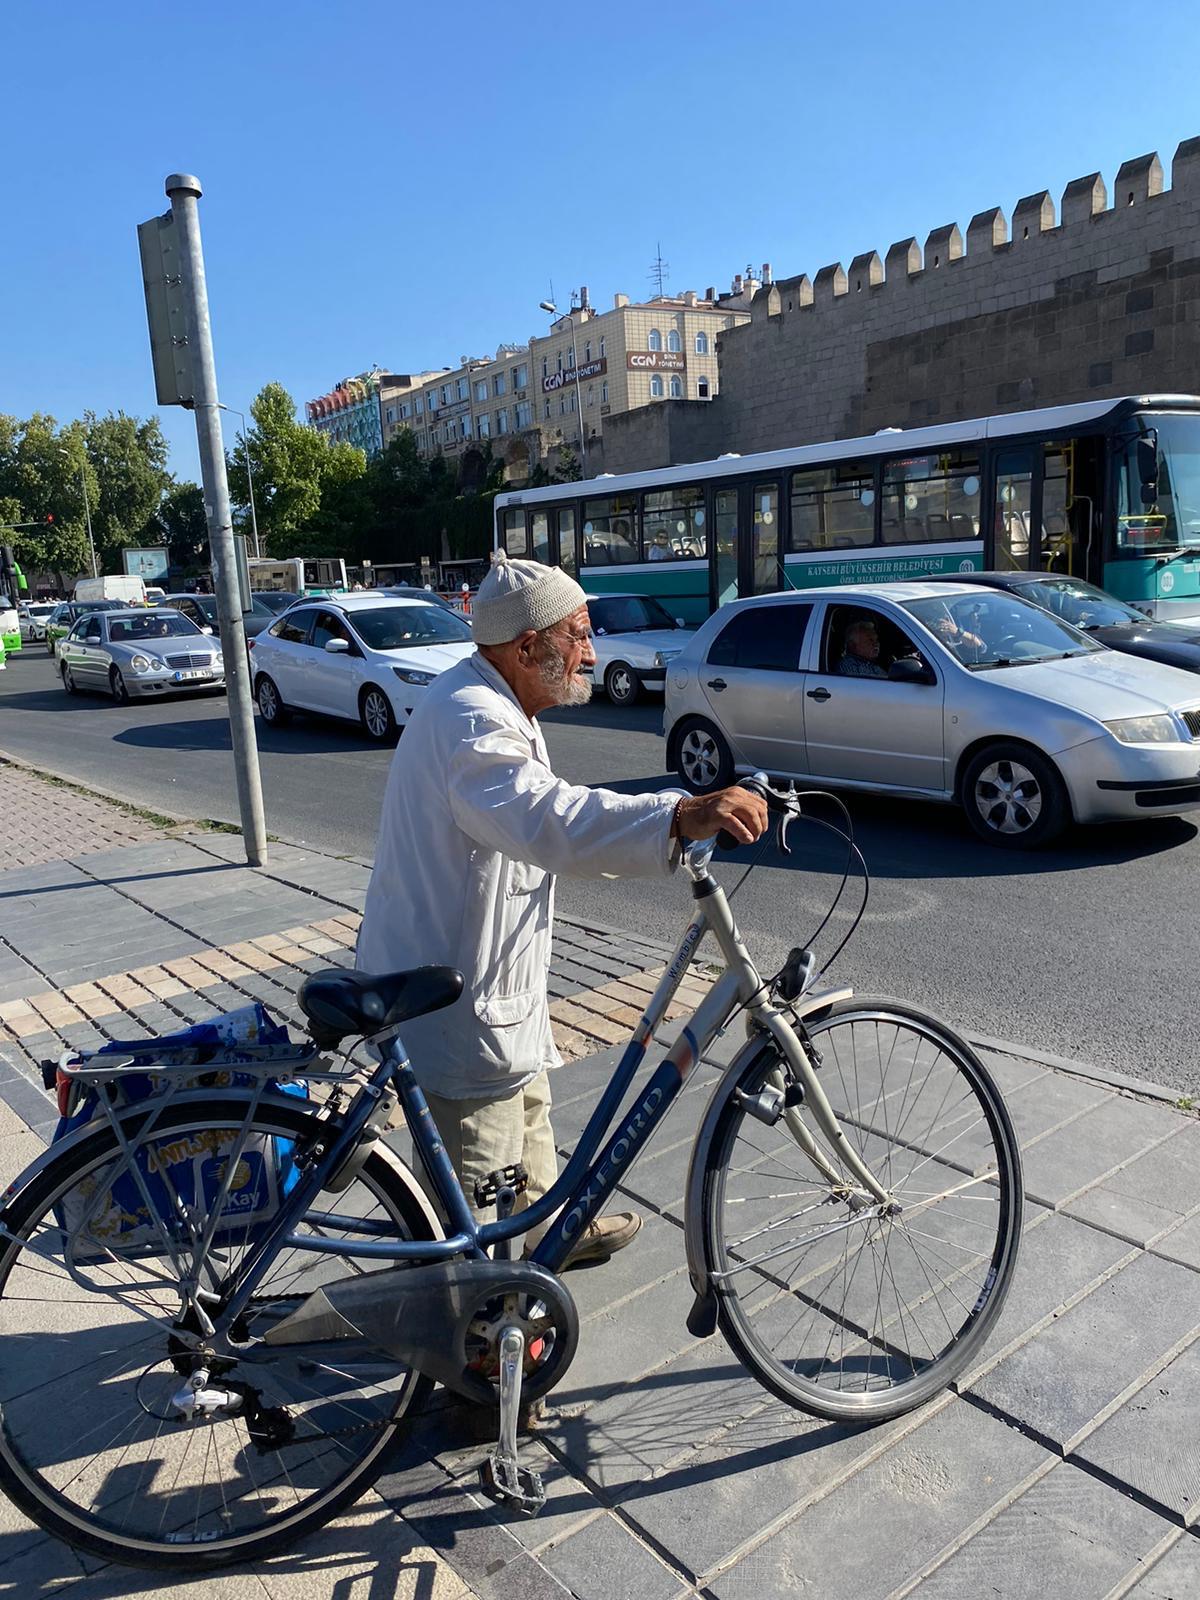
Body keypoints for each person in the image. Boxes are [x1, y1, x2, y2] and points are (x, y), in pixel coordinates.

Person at [357, 553, 767, 1264]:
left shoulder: (494, 700)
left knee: (532, 1114)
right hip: (452, 1005)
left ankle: (549, 1233)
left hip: (488, 991)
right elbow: (551, 819)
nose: (592, 652)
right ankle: (479, 1336)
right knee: (475, 1198)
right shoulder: (470, 720)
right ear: (525, 647)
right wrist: (682, 813)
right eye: (578, 636)